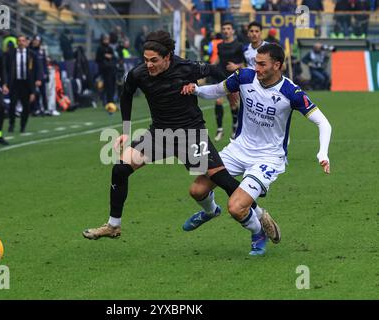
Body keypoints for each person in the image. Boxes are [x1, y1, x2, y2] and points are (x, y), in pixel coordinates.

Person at [82, 31, 276, 242]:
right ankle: (113, 225)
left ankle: (260, 215)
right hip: (159, 134)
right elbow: (126, 94)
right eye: (146, 60)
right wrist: (126, 131)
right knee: (120, 169)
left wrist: (231, 93)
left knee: (219, 178)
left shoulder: (187, 67)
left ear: (168, 57)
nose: (149, 65)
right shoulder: (139, 74)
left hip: (190, 133)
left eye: (154, 60)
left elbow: (216, 70)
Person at [180, 43, 331, 255]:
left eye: (262, 64)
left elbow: (323, 123)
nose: (256, 68)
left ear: (277, 65)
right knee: (197, 190)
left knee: (236, 207)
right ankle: (211, 210)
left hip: (268, 158)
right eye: (255, 63)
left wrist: (322, 152)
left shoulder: (291, 92)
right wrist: (195, 89)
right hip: (238, 149)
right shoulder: (244, 77)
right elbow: (216, 90)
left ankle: (258, 232)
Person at [213, 21, 245, 142]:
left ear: (233, 31)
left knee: (233, 104)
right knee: (218, 101)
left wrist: (236, 66)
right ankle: (220, 129)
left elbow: (244, 62)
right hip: (221, 76)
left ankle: (235, 126)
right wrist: (210, 67)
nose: (226, 31)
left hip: (234, 77)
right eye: (224, 29)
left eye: (228, 28)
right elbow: (219, 58)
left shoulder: (239, 45)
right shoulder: (220, 45)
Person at [5, 35, 40, 133]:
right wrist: (6, 81)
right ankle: (11, 124)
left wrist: (38, 79)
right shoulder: (11, 54)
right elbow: (6, 68)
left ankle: (23, 126)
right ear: (17, 42)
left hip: (26, 83)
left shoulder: (31, 54)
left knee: (26, 106)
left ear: (26, 42)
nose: (21, 42)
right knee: (12, 105)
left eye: (23, 41)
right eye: (19, 41)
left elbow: (37, 68)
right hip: (15, 82)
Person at [30, 35, 49, 116]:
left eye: (37, 41)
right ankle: (36, 109)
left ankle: (45, 108)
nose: (35, 42)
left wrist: (46, 73)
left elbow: (44, 64)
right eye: (34, 40)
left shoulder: (42, 51)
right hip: (33, 76)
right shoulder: (30, 51)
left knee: (43, 93)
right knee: (34, 93)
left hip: (41, 76)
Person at [95, 34, 117, 106]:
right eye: (105, 39)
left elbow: (114, 57)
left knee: (113, 85)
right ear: (102, 40)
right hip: (104, 70)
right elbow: (97, 59)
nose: (107, 41)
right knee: (107, 85)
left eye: (107, 39)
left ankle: (111, 100)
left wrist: (111, 56)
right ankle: (108, 101)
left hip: (112, 69)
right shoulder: (100, 48)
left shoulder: (109, 48)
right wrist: (104, 56)